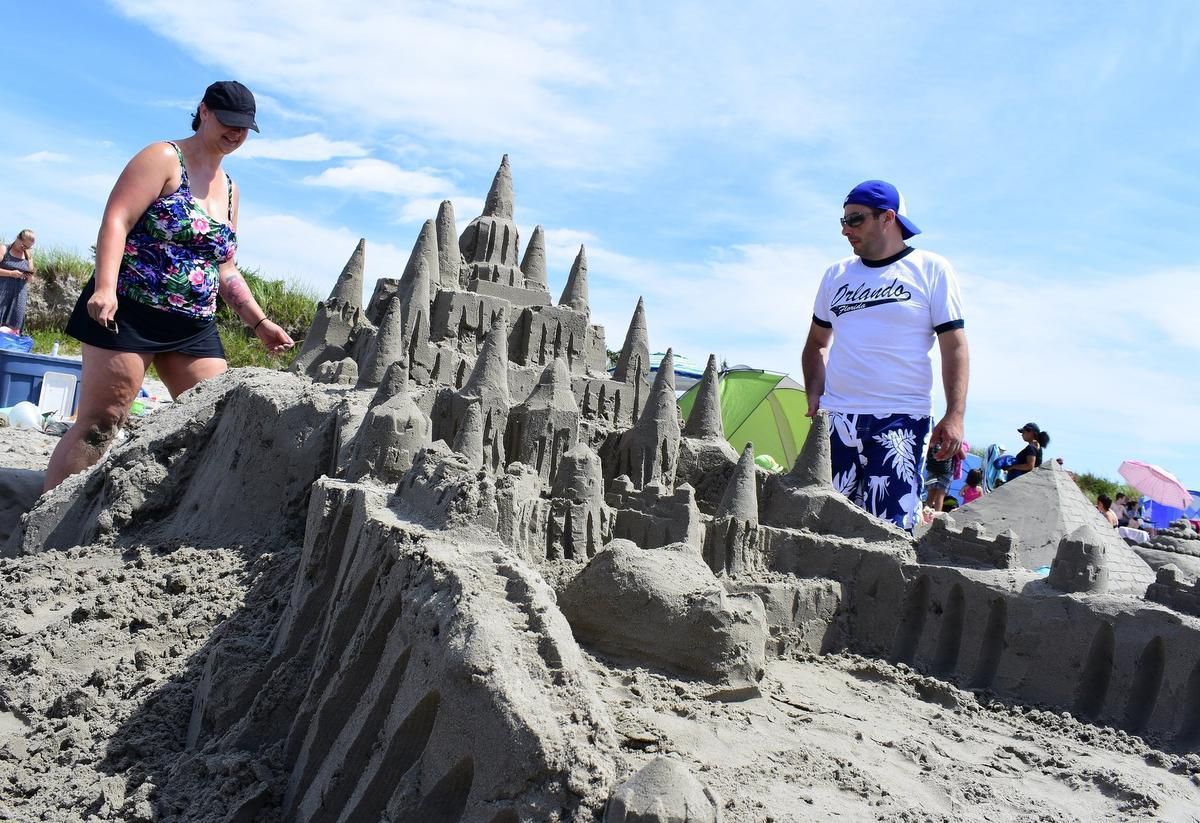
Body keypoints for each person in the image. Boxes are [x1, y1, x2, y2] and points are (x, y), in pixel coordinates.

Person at [45, 81, 293, 492]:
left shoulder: (230, 189)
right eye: (228, 122)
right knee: (102, 423)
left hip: (192, 324)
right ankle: (41, 527)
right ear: (204, 111)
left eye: (244, 128)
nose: (235, 133)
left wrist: (259, 322)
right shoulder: (163, 157)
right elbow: (117, 221)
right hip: (129, 312)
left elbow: (226, 269)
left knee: (214, 419)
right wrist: (104, 288)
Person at [802, 180, 969, 531]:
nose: (846, 230)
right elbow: (817, 341)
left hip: (901, 418)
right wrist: (814, 393)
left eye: (856, 219)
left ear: (887, 218)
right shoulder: (836, 274)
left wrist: (955, 415)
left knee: (888, 531)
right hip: (839, 418)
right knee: (822, 525)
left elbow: (953, 345)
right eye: (843, 221)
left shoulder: (930, 268)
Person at [0, 229, 36, 331]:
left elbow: (30, 280)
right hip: (2, 293)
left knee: (14, 326)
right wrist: (11, 274)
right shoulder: (4, 249)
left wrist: (29, 277)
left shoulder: (28, 256)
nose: (24, 249)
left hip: (19, 296)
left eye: (28, 247)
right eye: (23, 245)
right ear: (18, 238)